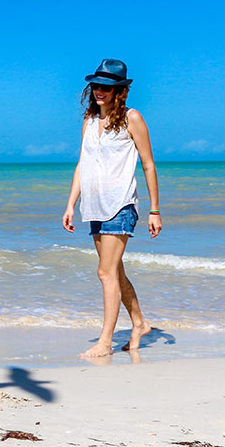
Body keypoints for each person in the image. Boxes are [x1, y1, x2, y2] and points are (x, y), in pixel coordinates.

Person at [62, 59, 163, 357]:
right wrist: (71, 204)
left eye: (106, 87)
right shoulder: (89, 120)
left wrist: (155, 210)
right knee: (114, 272)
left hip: (120, 205)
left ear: (120, 90)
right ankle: (139, 323)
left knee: (105, 273)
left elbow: (148, 164)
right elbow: (83, 164)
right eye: (96, 85)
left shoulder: (132, 118)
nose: (99, 91)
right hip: (94, 206)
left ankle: (105, 342)